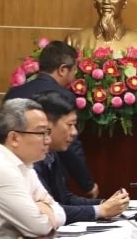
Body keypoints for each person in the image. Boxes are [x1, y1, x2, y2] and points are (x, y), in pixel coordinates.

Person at [4, 41, 98, 197]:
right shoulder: (63, 97)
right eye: (74, 70)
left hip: (12, 172)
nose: (75, 76)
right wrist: (87, 184)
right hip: (47, 175)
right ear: (62, 69)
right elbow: (71, 146)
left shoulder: (14, 92)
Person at [31, 92, 129, 224]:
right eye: (70, 124)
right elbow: (51, 211)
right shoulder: (31, 160)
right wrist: (100, 210)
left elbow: (65, 198)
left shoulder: (52, 154)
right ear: (47, 124)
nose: (74, 132)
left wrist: (106, 204)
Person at [0, 99, 66, 239]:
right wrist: (41, 206)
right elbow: (39, 226)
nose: (48, 140)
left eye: (48, 132)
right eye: (41, 133)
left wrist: (44, 206)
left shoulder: (24, 164)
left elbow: (61, 214)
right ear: (14, 138)